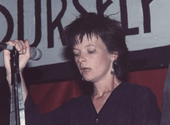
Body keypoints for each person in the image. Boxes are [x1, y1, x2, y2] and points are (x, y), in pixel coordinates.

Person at [4, 13, 161, 125]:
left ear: (113, 54)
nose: (81, 58)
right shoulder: (75, 108)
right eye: (76, 53)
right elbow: (31, 122)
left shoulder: (139, 97)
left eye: (90, 50)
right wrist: (14, 75)